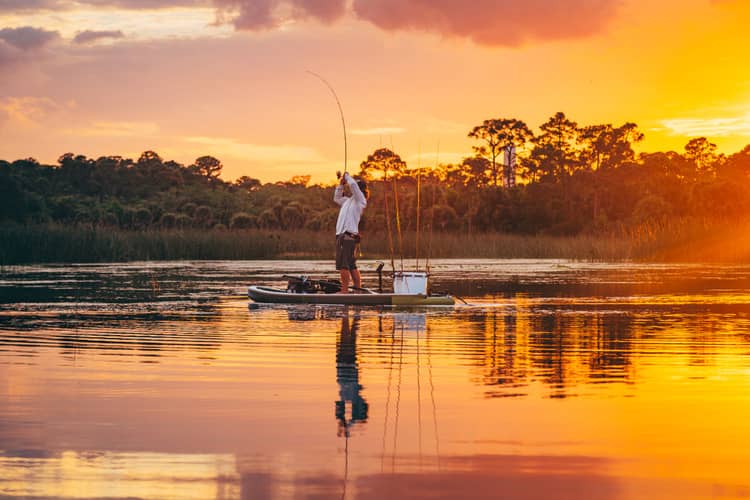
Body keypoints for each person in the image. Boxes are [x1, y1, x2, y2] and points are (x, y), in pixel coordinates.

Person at [333, 171, 369, 293]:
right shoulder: (348, 201)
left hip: (347, 237)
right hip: (343, 236)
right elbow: (336, 198)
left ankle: (344, 292)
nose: (353, 188)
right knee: (351, 265)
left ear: (360, 189)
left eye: (357, 187)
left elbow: (353, 185)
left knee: (344, 266)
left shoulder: (361, 200)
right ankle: (358, 291)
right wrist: (341, 184)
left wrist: (347, 176)